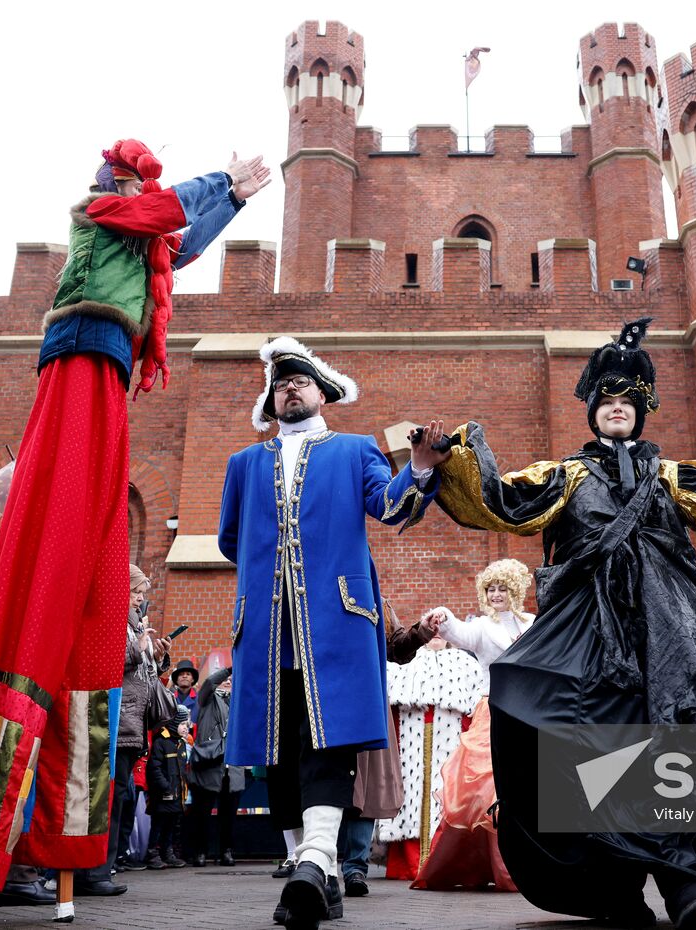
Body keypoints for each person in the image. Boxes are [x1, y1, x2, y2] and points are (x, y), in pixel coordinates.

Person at [0, 141, 271, 895]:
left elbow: (172, 247)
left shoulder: (136, 235)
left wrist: (235, 203)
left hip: (110, 368)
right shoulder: (101, 209)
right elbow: (158, 212)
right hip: (79, 355)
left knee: (99, 537)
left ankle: (60, 848)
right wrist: (220, 178)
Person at [431, 318, 696, 930]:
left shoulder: (667, 475)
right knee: (589, 747)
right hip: (588, 632)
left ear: (642, 411)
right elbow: (500, 500)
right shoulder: (566, 476)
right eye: (607, 402)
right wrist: (456, 455)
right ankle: (619, 888)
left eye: (627, 402)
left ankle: (682, 881)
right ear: (594, 413)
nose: (617, 410)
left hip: (668, 629)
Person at [218, 336, 444, 930]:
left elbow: (391, 507)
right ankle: (312, 869)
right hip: (267, 623)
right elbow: (229, 540)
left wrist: (418, 469)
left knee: (329, 736)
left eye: (300, 383)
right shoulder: (244, 464)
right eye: (280, 385)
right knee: (281, 746)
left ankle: (318, 860)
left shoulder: (352, 451)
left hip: (336, 617)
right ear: (271, 402)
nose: (289, 390)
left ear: (323, 394)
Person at [413, 558, 537, 891]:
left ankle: (532, 865)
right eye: (490, 589)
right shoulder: (482, 627)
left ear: (515, 591)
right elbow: (459, 633)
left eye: (502, 589)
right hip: (494, 710)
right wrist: (442, 616)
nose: (496, 595)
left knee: (530, 786)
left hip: (530, 712)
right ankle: (500, 868)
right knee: (488, 789)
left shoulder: (534, 624)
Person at [339, 600, 437, 897]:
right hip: (327, 698)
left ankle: (355, 867)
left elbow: (396, 648)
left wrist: (422, 632)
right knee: (326, 783)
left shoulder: (373, 597)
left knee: (365, 786)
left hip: (367, 699)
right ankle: (321, 863)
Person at [378, 633, 484, 881]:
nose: (436, 636)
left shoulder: (466, 666)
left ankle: (444, 862)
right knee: (412, 801)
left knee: (447, 801)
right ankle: (413, 864)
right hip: (412, 744)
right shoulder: (409, 665)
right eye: (431, 632)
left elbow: (475, 714)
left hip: (450, 744)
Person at [105, 566, 172, 885]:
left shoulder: (134, 626)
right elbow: (109, 662)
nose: (141, 599)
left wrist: (157, 658)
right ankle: (100, 867)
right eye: (137, 592)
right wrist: (137, 649)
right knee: (112, 797)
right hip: (119, 724)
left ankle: (106, 865)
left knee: (121, 797)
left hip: (132, 725)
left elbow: (143, 674)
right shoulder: (114, 620)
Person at [186, 663, 243, 868]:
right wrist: (229, 669)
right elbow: (210, 682)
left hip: (233, 767)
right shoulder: (207, 699)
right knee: (202, 813)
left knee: (229, 815)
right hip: (209, 764)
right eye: (226, 679)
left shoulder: (239, 702)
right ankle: (200, 852)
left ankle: (226, 851)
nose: (228, 681)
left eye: (231, 680)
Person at [145, 705, 190, 869]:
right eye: (183, 724)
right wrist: (164, 786)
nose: (186, 728)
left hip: (177, 794)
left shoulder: (180, 744)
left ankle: (167, 852)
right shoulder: (161, 742)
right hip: (163, 795)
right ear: (173, 723)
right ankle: (152, 853)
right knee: (158, 824)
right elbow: (154, 768)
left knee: (172, 825)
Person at [172, 659, 200, 727]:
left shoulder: (200, 700)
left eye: (188, 674)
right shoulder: (169, 699)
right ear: (176, 680)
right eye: (181, 674)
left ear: (192, 679)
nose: (184, 676)